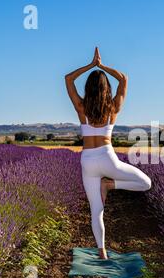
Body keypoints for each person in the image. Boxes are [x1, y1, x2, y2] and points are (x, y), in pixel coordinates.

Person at [65, 47, 152, 260]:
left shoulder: (81, 107)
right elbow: (124, 79)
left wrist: (90, 65)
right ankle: (110, 184)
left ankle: (102, 252)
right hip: (107, 157)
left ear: (88, 87)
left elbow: (68, 78)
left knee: (96, 209)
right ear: (106, 89)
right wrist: (102, 66)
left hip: (87, 160)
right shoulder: (113, 107)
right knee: (146, 183)